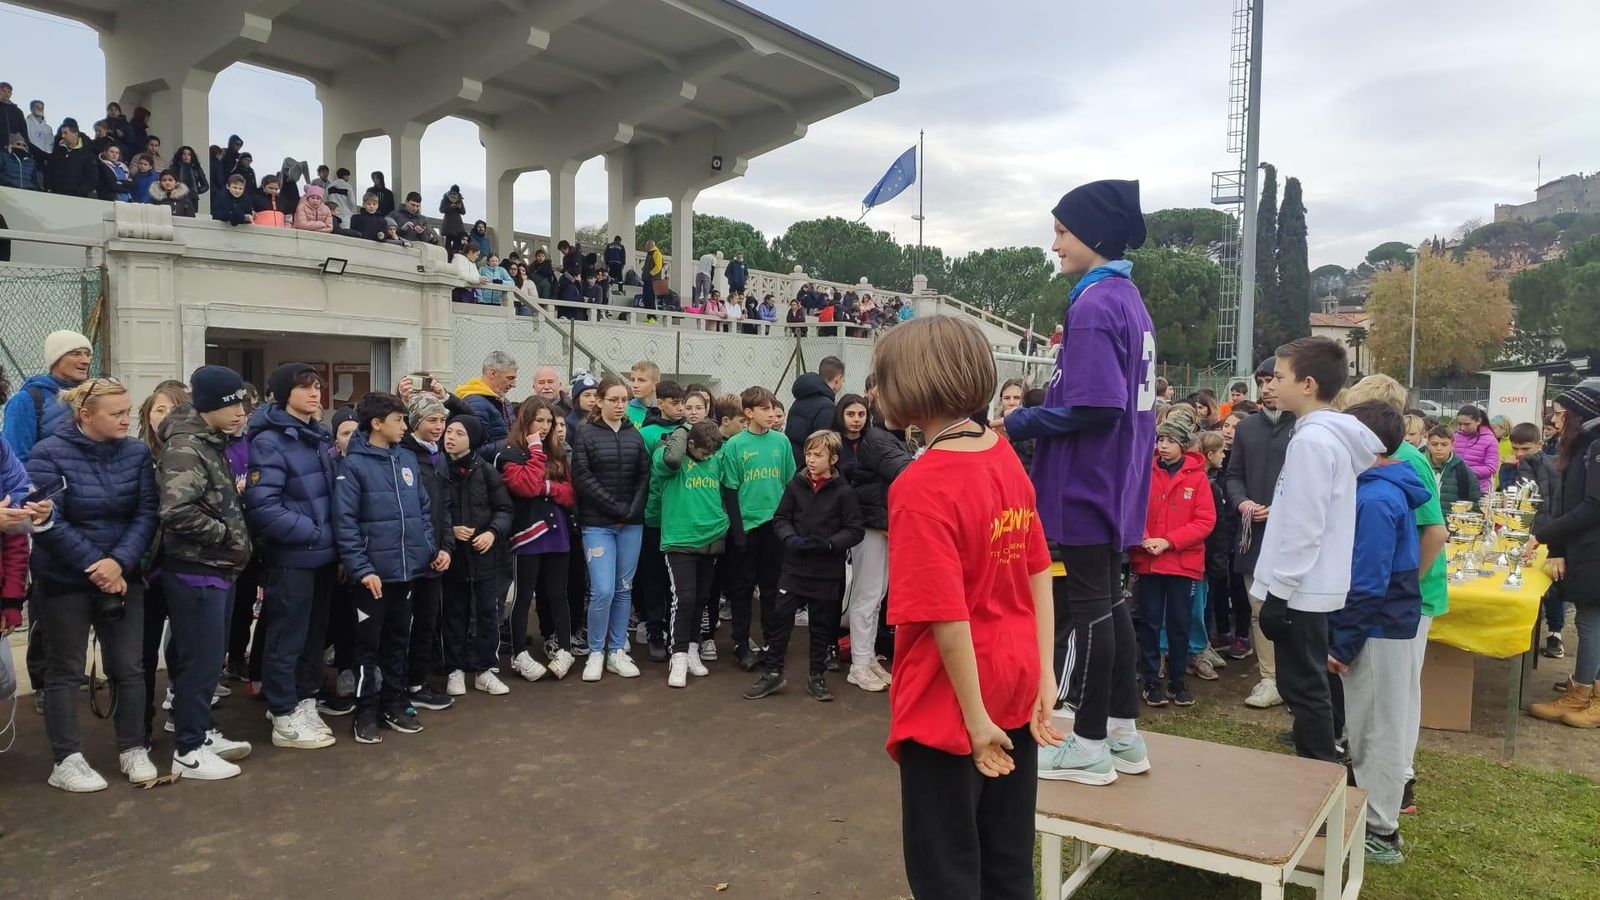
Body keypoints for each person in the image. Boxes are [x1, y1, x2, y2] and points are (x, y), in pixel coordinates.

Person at [873, 317, 1058, 896]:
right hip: (1015, 680)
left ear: (913, 384)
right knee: (1007, 863)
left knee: (946, 872)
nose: (874, 391)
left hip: (952, 706)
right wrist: (1044, 674)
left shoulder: (921, 485)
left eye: (881, 379)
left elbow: (945, 616)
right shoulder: (1003, 456)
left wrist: (976, 723)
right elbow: (1037, 570)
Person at [1002, 179, 1153, 783]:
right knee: (1111, 604)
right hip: (1117, 479)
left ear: (1091, 235)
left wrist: (1022, 420)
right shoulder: (1126, 296)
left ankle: (1088, 744)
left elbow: (1097, 405)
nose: (1055, 243)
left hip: (1089, 480)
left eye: (1062, 231)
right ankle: (1122, 733)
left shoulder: (1093, 306)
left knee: (1092, 608)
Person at [1252, 337, 1381, 762]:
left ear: (1308, 384)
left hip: (1302, 588)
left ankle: (1321, 785)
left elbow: (1305, 526)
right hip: (1309, 585)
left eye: (1280, 377)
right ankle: (1321, 776)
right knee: (1305, 687)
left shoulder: (1313, 442)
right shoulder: (1318, 436)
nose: (1272, 384)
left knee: (1304, 690)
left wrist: (1280, 592)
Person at [27, 378, 157, 791]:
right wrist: (95, 564)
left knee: (130, 667)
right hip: (64, 578)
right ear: (85, 415)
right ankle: (66, 759)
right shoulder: (47, 453)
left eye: (127, 411)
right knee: (64, 670)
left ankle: (133, 747)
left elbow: (146, 513)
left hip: (123, 577)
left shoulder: (136, 453)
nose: (126, 420)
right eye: (116, 413)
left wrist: (118, 563)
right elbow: (46, 519)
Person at [1338, 375, 1448, 820]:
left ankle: (1395, 790)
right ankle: (1380, 785)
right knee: (1382, 702)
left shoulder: (1399, 469)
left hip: (1401, 602)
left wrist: (1402, 589)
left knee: (1392, 702)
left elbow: (1435, 532)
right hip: (1393, 601)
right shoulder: (1389, 466)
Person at [1325, 400, 1428, 865]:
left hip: (1379, 629)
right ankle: (1374, 816)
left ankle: (1381, 831)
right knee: (1372, 725)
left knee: (1375, 732)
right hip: (1388, 626)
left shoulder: (1374, 499)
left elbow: (1368, 583)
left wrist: (1342, 644)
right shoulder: (1380, 489)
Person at [156, 366, 256, 780]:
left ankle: (200, 730)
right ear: (207, 405)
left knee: (206, 659)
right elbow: (176, 510)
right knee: (200, 659)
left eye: (242, 404)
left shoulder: (212, 441)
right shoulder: (186, 446)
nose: (240, 413)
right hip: (198, 569)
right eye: (230, 404)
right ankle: (189, 750)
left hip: (218, 568)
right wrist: (228, 536)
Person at [244, 364, 339, 751]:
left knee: (314, 636)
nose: (315, 393)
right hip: (293, 555)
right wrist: (314, 533)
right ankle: (282, 712)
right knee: (287, 635)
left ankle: (303, 700)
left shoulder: (318, 435)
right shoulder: (269, 441)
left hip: (324, 556)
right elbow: (263, 505)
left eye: (317, 386)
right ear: (285, 394)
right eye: (305, 387)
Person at [334, 392, 438, 743]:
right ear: (377, 424)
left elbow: (423, 511)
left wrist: (425, 549)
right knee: (368, 645)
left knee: (398, 640)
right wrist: (363, 569)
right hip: (373, 577)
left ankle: (394, 702)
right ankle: (366, 709)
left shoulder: (407, 458)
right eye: (398, 420)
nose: (404, 427)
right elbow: (345, 523)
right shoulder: (354, 465)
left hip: (408, 572)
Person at [746, 430, 865, 702]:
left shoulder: (844, 492)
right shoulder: (794, 485)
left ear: (833, 458)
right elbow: (780, 518)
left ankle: (816, 676)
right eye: (808, 453)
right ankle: (773, 673)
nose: (810, 459)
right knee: (781, 620)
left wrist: (830, 545)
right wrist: (790, 539)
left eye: (818, 455)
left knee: (822, 626)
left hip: (826, 571)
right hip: (793, 567)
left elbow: (854, 529)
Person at [1222, 355, 1298, 703]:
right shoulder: (1248, 427)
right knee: (1258, 608)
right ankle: (1269, 678)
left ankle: (1298, 679)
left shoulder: (1305, 426)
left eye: (1273, 381)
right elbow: (1233, 474)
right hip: (1253, 534)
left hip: (1295, 533)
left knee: (1298, 610)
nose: (1267, 389)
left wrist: (1282, 510)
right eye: (1262, 382)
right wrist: (1242, 503)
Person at [1130, 409, 1216, 708]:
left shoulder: (1198, 479)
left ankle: (1178, 681)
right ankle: (1152, 680)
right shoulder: (1145, 473)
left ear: (1183, 444)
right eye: (1160, 439)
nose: (1163, 445)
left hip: (1183, 563)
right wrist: (1144, 538)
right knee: (1151, 622)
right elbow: (1134, 508)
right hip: (1151, 561)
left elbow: (1204, 521)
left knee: (1180, 623)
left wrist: (1167, 541)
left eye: (1169, 440)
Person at [1528, 383, 1600, 728]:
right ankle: (1583, 688)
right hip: (1583, 546)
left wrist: (1543, 535)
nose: (1555, 419)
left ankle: (1588, 695)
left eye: (1560, 412)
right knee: (1589, 622)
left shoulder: (1596, 445)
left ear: (1578, 413)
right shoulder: (1582, 444)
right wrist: (1556, 545)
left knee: (1590, 622)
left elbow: (1593, 506)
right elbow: (1566, 500)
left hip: (1594, 548)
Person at [570, 376, 649, 679]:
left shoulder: (634, 435)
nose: (619, 406)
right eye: (613, 400)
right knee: (602, 589)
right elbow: (583, 477)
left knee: (623, 589)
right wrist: (615, 507)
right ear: (599, 401)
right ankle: (595, 651)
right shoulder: (586, 434)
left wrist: (633, 509)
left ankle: (617, 650)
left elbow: (644, 474)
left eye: (624, 400)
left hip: (631, 524)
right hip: (598, 524)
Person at [835, 393, 911, 692]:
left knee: (876, 594)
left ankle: (866, 658)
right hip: (871, 526)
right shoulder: (879, 440)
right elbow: (905, 471)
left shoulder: (887, 438)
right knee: (866, 596)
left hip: (883, 525)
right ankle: (858, 663)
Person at [495, 398, 576, 679]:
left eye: (548, 422)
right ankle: (519, 654)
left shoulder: (558, 450)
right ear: (525, 420)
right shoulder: (509, 452)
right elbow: (526, 487)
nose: (544, 427)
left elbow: (570, 494)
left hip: (558, 533)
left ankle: (565, 649)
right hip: (527, 534)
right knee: (522, 596)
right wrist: (536, 449)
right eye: (538, 420)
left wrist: (549, 486)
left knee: (558, 594)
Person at [719, 386, 796, 671]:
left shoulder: (781, 442)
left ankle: (770, 643)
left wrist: (787, 523)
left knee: (772, 588)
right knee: (741, 589)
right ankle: (741, 643)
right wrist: (737, 531)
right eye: (764, 409)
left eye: (773, 409)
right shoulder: (735, 445)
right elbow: (730, 490)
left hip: (774, 527)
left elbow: (789, 484)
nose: (771, 415)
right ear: (748, 413)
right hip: (746, 528)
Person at [440, 414, 517, 695]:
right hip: (453, 559)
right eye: (449, 431)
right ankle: (455, 670)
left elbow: (505, 509)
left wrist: (492, 533)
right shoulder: (438, 470)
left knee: (487, 613)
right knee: (454, 614)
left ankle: (485, 669)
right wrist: (450, 529)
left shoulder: (486, 471)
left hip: (485, 558)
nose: (450, 437)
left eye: (459, 433)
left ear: (471, 439)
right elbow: (433, 510)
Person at [654, 419, 729, 687]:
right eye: (702, 452)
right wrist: (681, 434)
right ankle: (679, 655)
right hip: (680, 539)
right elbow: (671, 458)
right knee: (683, 599)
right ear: (690, 443)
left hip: (711, 538)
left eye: (711, 453)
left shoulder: (714, 460)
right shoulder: (669, 460)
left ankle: (693, 648)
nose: (707, 457)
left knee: (700, 599)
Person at [395, 394, 457, 710]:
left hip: (435, 555)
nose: (438, 427)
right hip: (410, 556)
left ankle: (417, 682)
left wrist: (446, 546)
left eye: (442, 420)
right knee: (401, 624)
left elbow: (444, 507)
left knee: (426, 622)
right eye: (431, 420)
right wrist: (428, 547)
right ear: (415, 421)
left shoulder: (439, 457)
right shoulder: (403, 456)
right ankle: (397, 686)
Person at [1511, 422, 1564, 658]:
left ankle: (1555, 634)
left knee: (1551, 586)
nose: (1520, 453)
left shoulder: (1550, 466)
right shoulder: (1520, 466)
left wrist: (1541, 536)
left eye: (1525, 448)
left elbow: (1548, 505)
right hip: (1530, 531)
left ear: (1539, 444)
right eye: (1515, 449)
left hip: (1545, 534)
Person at [4, 330, 93, 464]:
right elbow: (15, 458)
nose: (85, 361)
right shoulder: (27, 400)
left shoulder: (95, 395)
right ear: (56, 360)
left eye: (87, 354)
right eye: (75, 354)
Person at [454, 351, 518, 448]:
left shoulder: (501, 400)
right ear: (493, 373)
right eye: (510, 378)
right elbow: (476, 448)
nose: (514, 384)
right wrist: (510, 447)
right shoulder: (475, 404)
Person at [787, 356, 844, 463]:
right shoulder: (827, 407)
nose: (842, 385)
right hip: (809, 464)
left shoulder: (801, 398)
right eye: (842, 381)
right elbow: (821, 442)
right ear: (837, 379)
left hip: (791, 459)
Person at [1425, 424, 1480, 508]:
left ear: (1453, 445)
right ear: (1428, 445)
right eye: (1434, 444)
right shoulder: (1419, 466)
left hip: (1451, 520)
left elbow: (1475, 503)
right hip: (1423, 520)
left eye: (1444, 444)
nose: (1439, 448)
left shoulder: (1463, 470)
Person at [1452, 404, 1498, 497]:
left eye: (1467, 424)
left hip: (1479, 489)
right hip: (1455, 488)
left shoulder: (1490, 440)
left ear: (1478, 421)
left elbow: (1490, 468)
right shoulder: (1454, 437)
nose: (1462, 428)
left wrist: (1465, 472)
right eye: (1460, 424)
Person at [626, 360, 660, 427]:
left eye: (641, 380)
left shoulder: (663, 410)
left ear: (655, 385)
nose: (635, 385)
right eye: (633, 380)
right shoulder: (626, 411)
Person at [439, 185, 468, 259]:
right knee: (448, 245)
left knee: (457, 245)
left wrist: (459, 206)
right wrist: (450, 206)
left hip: (458, 226)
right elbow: (441, 210)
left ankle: (456, 259)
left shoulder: (459, 199)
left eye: (456, 193)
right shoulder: (445, 198)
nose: (454, 194)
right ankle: (447, 259)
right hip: (448, 225)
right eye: (453, 192)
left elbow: (463, 212)